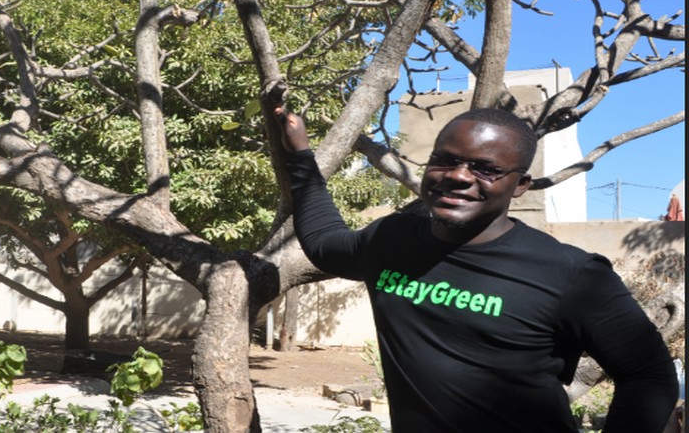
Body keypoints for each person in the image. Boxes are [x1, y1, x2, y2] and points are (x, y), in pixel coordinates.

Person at [274, 106, 678, 432]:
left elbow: (648, 375)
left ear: (520, 185)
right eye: (445, 161)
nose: (458, 177)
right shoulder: (392, 240)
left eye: (486, 169)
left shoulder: (571, 273)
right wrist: (299, 156)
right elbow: (326, 243)